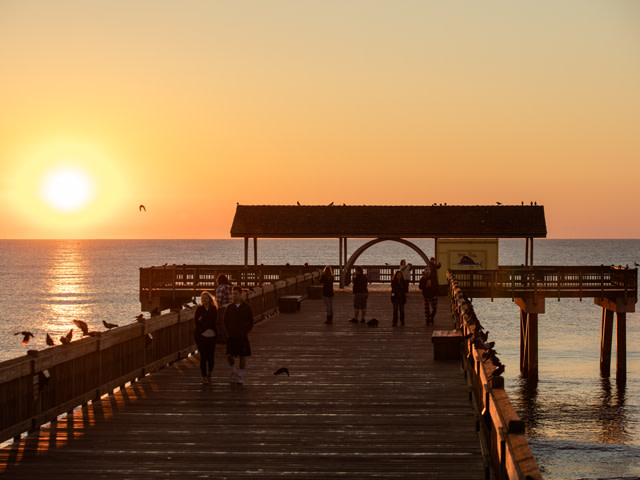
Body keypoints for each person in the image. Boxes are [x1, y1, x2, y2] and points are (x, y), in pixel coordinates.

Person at [224, 286, 254, 384]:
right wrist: (228, 332)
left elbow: (251, 321)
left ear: (241, 295)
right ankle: (234, 371)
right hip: (231, 336)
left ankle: (240, 376)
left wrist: (246, 331)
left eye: (236, 293)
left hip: (242, 336)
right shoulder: (229, 307)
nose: (234, 295)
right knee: (229, 355)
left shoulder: (246, 307)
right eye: (233, 293)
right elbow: (225, 321)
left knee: (242, 356)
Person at [194, 291, 218, 384]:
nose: (204, 300)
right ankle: (204, 377)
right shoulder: (199, 309)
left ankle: (210, 373)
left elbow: (211, 321)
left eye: (205, 298)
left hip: (212, 336)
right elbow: (197, 322)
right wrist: (203, 321)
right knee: (203, 357)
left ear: (209, 299)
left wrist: (202, 320)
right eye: (202, 298)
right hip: (201, 336)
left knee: (210, 357)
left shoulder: (213, 309)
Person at [419, 257, 441, 325]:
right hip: (426, 294)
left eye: (428, 272)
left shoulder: (433, 278)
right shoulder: (423, 279)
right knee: (427, 309)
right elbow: (420, 287)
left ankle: (431, 317)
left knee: (434, 307)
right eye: (427, 272)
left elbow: (436, 285)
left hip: (433, 294)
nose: (428, 273)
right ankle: (428, 320)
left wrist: (436, 291)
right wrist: (425, 286)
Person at [215, 273, 232, 344]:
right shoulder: (231, 286)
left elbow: (219, 300)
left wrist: (216, 308)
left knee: (220, 323)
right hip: (231, 307)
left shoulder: (221, 287)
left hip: (223, 308)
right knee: (229, 323)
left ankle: (222, 339)